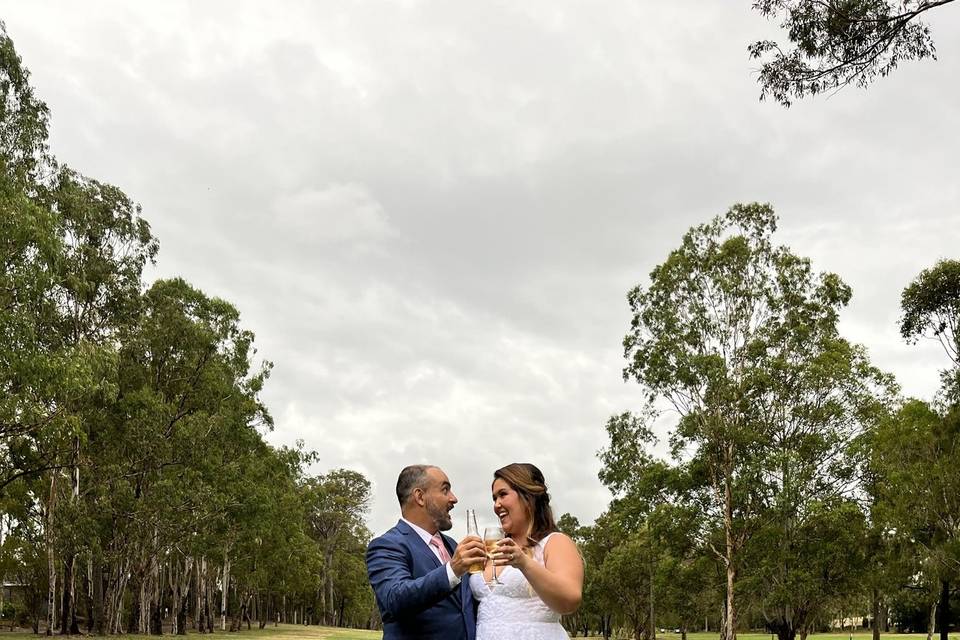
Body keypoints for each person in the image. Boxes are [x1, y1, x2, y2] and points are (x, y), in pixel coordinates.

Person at [366, 464, 488, 640]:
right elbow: (395, 598)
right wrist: (452, 570)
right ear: (420, 497)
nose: (454, 499)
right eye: (445, 490)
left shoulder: (453, 546)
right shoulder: (386, 545)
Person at [471, 462, 584, 640]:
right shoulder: (492, 549)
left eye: (503, 494)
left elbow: (569, 600)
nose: (496, 504)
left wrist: (524, 563)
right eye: (494, 498)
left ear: (528, 497)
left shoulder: (555, 542)